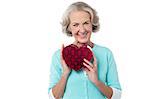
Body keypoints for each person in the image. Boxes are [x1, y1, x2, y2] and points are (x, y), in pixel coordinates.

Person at [48, 1, 121, 99]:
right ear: (69, 28)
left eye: (86, 23)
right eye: (75, 25)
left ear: (92, 24)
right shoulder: (59, 56)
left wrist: (96, 81)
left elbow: (117, 96)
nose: (82, 30)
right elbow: (53, 97)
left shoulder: (106, 54)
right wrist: (65, 74)